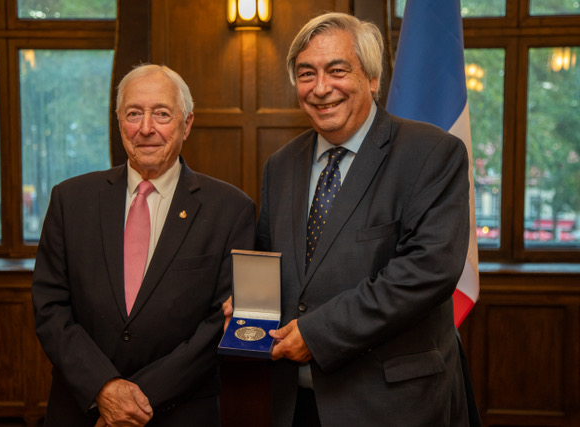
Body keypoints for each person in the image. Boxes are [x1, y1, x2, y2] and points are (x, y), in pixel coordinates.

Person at [225, 12, 477, 426]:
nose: (321, 88)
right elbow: (273, 263)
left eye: (336, 70)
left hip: (393, 405)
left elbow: (427, 271)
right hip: (297, 403)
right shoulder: (281, 165)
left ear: (372, 78)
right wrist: (251, 303)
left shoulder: (432, 153)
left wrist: (318, 333)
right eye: (307, 74)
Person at [32, 64, 256, 427]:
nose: (146, 128)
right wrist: (103, 389)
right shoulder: (70, 200)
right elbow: (50, 308)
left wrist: (133, 402)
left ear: (187, 124)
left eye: (162, 114)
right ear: (119, 121)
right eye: (134, 113)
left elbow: (221, 322)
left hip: (179, 413)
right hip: (83, 409)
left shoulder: (231, 210)